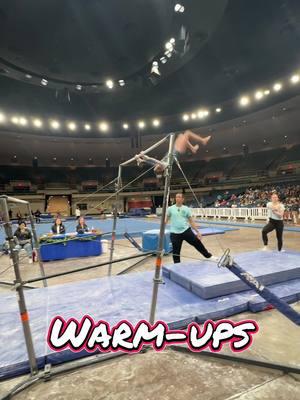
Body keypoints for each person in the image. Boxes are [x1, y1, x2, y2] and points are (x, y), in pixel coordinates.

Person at [166, 193, 217, 263]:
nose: (177, 198)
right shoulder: (170, 209)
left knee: (197, 243)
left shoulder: (186, 209)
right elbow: (166, 220)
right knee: (176, 251)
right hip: (175, 233)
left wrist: (197, 232)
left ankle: (208, 256)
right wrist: (162, 229)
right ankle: (177, 264)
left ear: (182, 199)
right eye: (176, 197)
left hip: (186, 231)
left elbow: (191, 221)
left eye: (179, 197)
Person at [135, 130, 211, 177]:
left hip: (174, 149)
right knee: (187, 133)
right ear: (159, 168)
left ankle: (192, 148)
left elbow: (149, 161)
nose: (155, 165)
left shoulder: (159, 165)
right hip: (178, 151)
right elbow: (152, 159)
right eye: (156, 166)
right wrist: (143, 156)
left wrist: (140, 158)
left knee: (181, 135)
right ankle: (203, 140)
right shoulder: (164, 165)